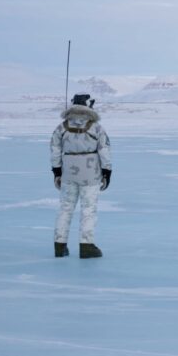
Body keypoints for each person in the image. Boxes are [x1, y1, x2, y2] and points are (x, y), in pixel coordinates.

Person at [50, 93, 112, 258]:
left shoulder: (62, 127)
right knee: (88, 209)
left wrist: (57, 172)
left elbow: (55, 150)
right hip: (91, 174)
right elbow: (104, 150)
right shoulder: (96, 127)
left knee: (65, 208)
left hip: (68, 173)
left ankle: (59, 245)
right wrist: (107, 172)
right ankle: (86, 246)